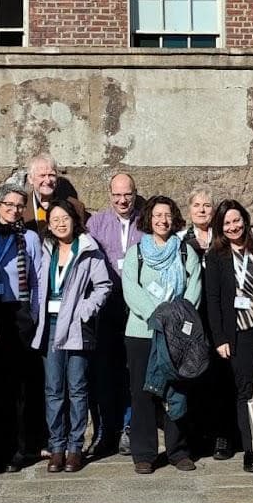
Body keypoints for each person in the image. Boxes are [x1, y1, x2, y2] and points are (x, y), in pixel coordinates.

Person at [28, 200, 113, 474]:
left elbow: (104, 285)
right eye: (54, 219)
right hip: (50, 325)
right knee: (53, 389)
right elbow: (38, 283)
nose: (60, 223)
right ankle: (56, 447)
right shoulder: (47, 249)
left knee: (77, 388)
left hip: (76, 326)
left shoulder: (89, 250)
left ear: (74, 220)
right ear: (48, 224)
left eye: (65, 217)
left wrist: (84, 310)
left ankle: (75, 448)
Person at [121, 195, 204, 474]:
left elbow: (194, 287)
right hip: (142, 332)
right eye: (157, 215)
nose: (162, 220)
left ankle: (178, 450)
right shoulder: (137, 253)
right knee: (142, 393)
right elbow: (130, 287)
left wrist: (177, 318)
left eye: (167, 215)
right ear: (149, 218)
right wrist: (157, 315)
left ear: (174, 218)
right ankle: (144, 453)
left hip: (176, 336)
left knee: (176, 390)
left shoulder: (184, 252)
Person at [0, 185, 45, 474]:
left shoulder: (30, 238)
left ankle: (20, 448)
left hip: (18, 313)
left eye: (20, 205)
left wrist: (33, 315)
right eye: (9, 204)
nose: (14, 210)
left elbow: (37, 280)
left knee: (20, 384)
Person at [203, 200, 253, 474]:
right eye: (227, 223)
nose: (233, 227)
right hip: (238, 332)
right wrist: (220, 339)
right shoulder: (216, 256)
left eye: (236, 220)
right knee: (246, 391)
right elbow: (213, 300)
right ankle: (252, 450)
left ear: (245, 220)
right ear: (220, 227)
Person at [85, 173, 142, 457]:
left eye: (128, 194)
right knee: (105, 371)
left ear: (135, 193)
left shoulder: (145, 221)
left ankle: (130, 428)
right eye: (117, 195)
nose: (123, 200)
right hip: (106, 306)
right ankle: (106, 429)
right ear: (109, 194)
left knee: (133, 369)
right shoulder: (95, 224)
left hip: (136, 307)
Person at [181, 187, 233, 460]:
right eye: (197, 205)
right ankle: (197, 437)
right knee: (194, 377)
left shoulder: (223, 239)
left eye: (207, 205)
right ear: (189, 210)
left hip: (220, 318)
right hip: (193, 317)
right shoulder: (181, 241)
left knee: (221, 378)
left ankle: (222, 436)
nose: (202, 209)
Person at [22, 154, 88, 232]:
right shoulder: (20, 208)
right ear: (30, 179)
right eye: (42, 175)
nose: (48, 180)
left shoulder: (76, 207)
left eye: (51, 175)